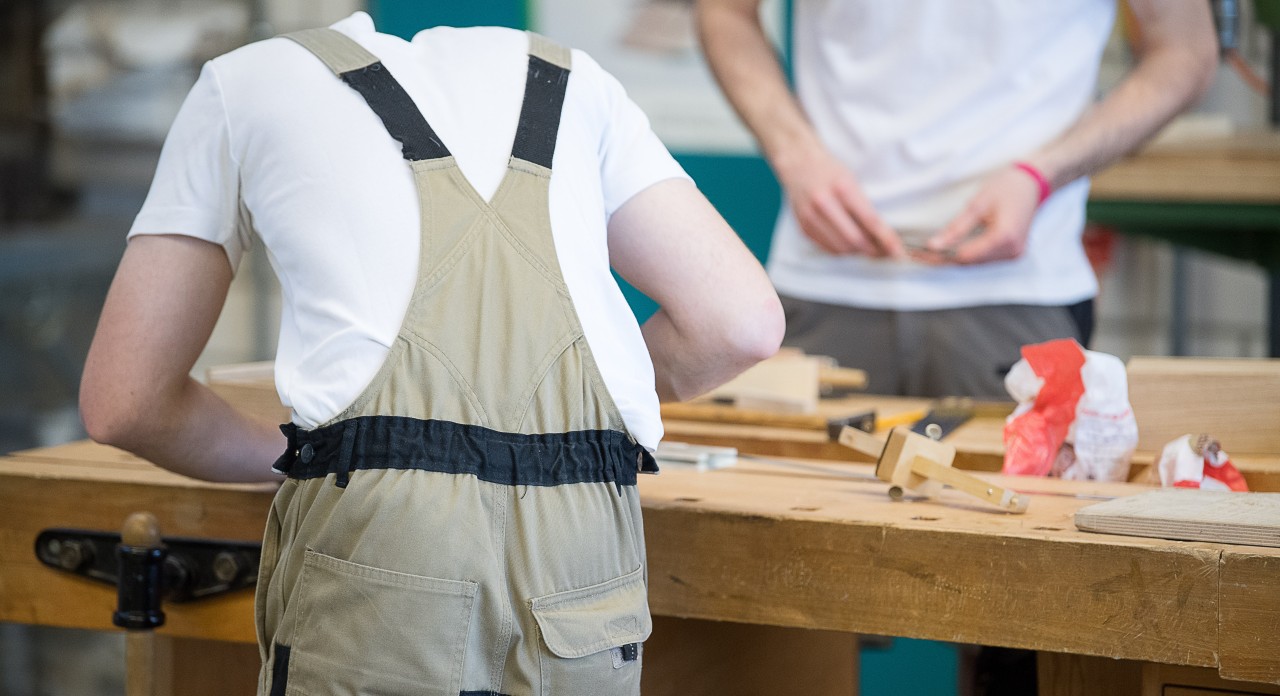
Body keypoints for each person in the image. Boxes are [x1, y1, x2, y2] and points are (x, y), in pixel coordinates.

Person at [79, 12, 783, 696]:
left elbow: (125, 403)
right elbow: (740, 325)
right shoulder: (571, 79)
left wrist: (282, 451)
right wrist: (565, 400)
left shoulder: (243, 82)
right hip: (586, 535)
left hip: (389, 531)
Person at [697, 0, 1217, 398]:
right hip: (824, 284)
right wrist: (796, 155)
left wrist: (1042, 174)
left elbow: (1186, 51)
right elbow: (723, 11)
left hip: (1019, 294)